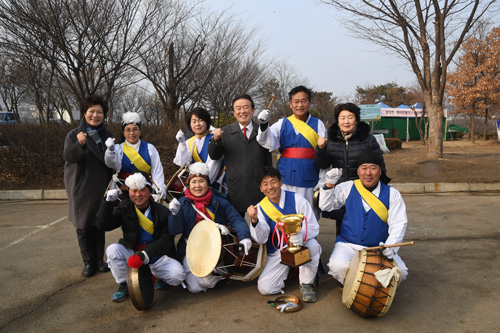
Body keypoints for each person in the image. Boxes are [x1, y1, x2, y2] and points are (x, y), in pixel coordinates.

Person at [319, 149, 408, 287]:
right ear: (358, 171)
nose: (368, 173)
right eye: (364, 168)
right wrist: (329, 184)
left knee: (400, 272)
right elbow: (325, 206)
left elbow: (399, 223)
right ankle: (352, 289)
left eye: (373, 168)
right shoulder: (347, 187)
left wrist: (391, 246)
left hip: (378, 247)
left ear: (380, 171)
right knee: (337, 266)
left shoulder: (393, 194)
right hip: (348, 244)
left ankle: (367, 289)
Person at [97, 171, 185, 302]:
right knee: (112, 250)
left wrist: (145, 255)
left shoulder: (162, 211)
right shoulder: (124, 207)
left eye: (142, 190)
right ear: (129, 192)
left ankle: (158, 277)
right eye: (134, 191)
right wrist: (107, 203)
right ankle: (124, 284)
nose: (138, 195)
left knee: (177, 275)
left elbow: (166, 241)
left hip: (156, 256)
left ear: (150, 192)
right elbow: (104, 225)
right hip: (132, 251)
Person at [168, 162, 253, 293]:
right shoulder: (182, 203)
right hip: (190, 249)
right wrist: (174, 215)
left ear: (208, 183)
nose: (197, 186)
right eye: (194, 182)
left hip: (215, 248)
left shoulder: (220, 201)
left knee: (205, 281)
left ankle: (221, 272)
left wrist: (244, 237)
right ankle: (216, 274)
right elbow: (175, 231)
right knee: (195, 288)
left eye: (201, 181)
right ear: (188, 185)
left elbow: (236, 219)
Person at [247, 166, 321, 302]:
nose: (270, 187)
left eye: (273, 182)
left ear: (281, 182)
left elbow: (313, 226)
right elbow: (261, 238)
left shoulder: (297, 199)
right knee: (266, 288)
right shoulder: (261, 208)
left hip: (300, 245)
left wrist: (301, 234)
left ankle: (306, 283)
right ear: (261, 188)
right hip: (278, 251)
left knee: (314, 246)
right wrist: (254, 220)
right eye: (265, 184)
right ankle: (289, 270)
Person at [315, 102, 389, 236]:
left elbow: (380, 165)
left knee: (366, 226)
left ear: (356, 120)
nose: (346, 121)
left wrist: (380, 188)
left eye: (350, 117)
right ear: (337, 121)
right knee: (343, 227)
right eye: (342, 118)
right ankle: (342, 253)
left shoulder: (368, 139)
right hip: (341, 191)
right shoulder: (331, 141)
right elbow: (323, 165)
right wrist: (320, 149)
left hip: (364, 190)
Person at [63, 95, 114, 277]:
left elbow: (113, 161)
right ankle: (88, 262)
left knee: (98, 224)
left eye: (99, 112)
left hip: (101, 187)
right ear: (85, 113)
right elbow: (69, 156)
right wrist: (80, 144)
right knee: (83, 226)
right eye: (91, 111)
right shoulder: (74, 134)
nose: (95, 115)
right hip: (81, 188)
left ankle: (99, 260)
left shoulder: (108, 136)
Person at [256, 86, 326, 210]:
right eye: (296, 101)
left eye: (303, 101)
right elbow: (268, 142)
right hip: (285, 178)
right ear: (290, 104)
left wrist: (322, 181)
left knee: (306, 215)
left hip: (309, 179)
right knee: (284, 213)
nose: (300, 105)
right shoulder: (282, 123)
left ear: (309, 103)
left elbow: (323, 154)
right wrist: (263, 125)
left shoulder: (318, 124)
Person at [208, 94, 272, 216]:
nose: (242, 111)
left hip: (260, 189)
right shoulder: (225, 132)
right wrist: (215, 140)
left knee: (262, 226)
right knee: (236, 228)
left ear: (253, 110)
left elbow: (268, 160)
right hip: (236, 189)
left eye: (246, 107)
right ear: (233, 112)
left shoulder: (263, 131)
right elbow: (214, 156)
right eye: (238, 108)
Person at [104, 112, 166, 200]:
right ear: (123, 133)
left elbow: (157, 171)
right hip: (124, 191)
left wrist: (160, 187)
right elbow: (111, 164)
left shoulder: (150, 148)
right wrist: (110, 151)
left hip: (145, 190)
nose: (132, 133)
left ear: (140, 131)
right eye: (128, 130)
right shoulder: (118, 148)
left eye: (135, 129)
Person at [173, 107, 224, 191]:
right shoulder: (189, 142)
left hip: (216, 184)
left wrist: (203, 184)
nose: (197, 124)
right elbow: (182, 163)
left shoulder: (215, 138)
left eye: (200, 120)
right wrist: (182, 145)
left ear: (207, 122)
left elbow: (214, 164)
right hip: (196, 187)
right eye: (194, 121)